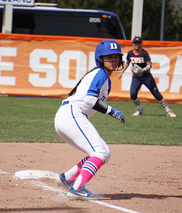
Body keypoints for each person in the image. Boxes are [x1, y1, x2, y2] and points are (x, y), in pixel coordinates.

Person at [54, 40, 125, 201]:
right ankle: (78, 188)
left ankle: (68, 178)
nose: (114, 60)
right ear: (100, 59)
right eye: (110, 57)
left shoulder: (104, 76)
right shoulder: (100, 73)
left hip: (70, 116)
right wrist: (111, 111)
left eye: (116, 57)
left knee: (105, 153)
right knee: (99, 152)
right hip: (72, 114)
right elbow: (89, 100)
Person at [117, 36, 176, 117]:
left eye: (138, 43)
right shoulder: (130, 53)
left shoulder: (144, 53)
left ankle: (168, 110)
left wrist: (143, 70)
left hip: (146, 76)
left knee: (156, 94)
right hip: (136, 77)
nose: (137, 45)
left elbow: (150, 64)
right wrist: (121, 72)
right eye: (135, 43)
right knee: (133, 94)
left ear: (141, 44)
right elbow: (127, 62)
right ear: (133, 44)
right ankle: (140, 109)